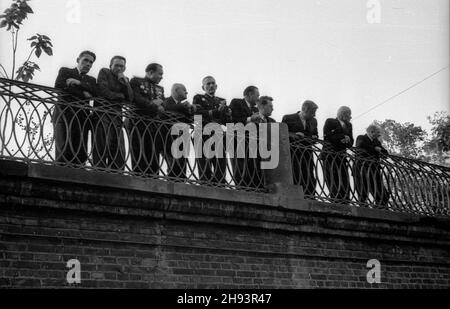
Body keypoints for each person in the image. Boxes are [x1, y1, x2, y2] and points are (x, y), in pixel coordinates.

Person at [54, 50, 98, 165]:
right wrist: (83, 93)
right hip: (64, 115)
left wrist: (78, 83)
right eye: (85, 60)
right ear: (78, 60)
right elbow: (60, 86)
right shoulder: (65, 71)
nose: (88, 64)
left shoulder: (91, 80)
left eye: (91, 62)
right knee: (63, 150)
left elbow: (96, 92)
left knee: (80, 153)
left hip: (82, 118)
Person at [93, 55, 133, 170]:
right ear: (111, 66)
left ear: (125, 68)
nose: (119, 68)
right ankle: (98, 173)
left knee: (118, 148)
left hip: (116, 117)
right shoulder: (104, 72)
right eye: (116, 65)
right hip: (102, 114)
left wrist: (124, 82)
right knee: (101, 146)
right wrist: (120, 96)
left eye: (122, 66)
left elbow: (130, 98)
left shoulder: (125, 79)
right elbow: (103, 90)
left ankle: (117, 174)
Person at [193, 76, 231, 184]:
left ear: (216, 86)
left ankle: (220, 185)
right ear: (203, 87)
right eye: (208, 84)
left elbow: (226, 121)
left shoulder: (221, 101)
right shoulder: (199, 98)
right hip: (203, 133)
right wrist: (216, 111)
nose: (211, 85)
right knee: (204, 162)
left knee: (220, 161)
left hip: (218, 134)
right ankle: (205, 184)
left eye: (213, 83)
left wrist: (228, 114)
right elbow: (198, 113)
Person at [129, 63, 165, 176]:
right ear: (150, 72)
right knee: (139, 153)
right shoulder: (136, 81)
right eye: (160, 74)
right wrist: (153, 104)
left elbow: (162, 105)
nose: (161, 77)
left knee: (154, 155)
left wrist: (154, 105)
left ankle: (154, 180)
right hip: (138, 123)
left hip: (154, 125)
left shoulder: (160, 88)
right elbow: (137, 99)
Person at [282, 100, 319, 196]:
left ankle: (310, 196)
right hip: (294, 153)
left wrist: (313, 138)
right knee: (295, 174)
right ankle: (296, 196)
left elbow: (316, 136)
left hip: (307, 154)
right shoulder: (288, 118)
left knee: (309, 175)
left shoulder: (314, 121)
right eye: (312, 112)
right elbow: (283, 134)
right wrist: (294, 135)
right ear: (304, 110)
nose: (314, 115)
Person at [162, 83, 196, 179]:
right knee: (172, 161)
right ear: (176, 90)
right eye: (184, 90)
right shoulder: (167, 101)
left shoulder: (181, 106)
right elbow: (169, 107)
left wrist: (190, 109)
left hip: (181, 137)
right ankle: (173, 180)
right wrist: (186, 107)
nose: (187, 92)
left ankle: (180, 179)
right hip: (168, 137)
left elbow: (189, 117)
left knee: (181, 162)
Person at [230, 86, 261, 188]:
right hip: (239, 142)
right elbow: (233, 119)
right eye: (257, 95)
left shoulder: (257, 109)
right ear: (250, 94)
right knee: (240, 170)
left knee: (254, 170)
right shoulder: (237, 102)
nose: (258, 98)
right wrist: (250, 118)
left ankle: (255, 189)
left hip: (253, 144)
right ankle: (241, 189)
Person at [322, 106, 354, 201]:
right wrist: (342, 137)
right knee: (332, 179)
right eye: (348, 114)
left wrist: (348, 140)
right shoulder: (330, 121)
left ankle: (345, 200)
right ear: (342, 114)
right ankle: (335, 201)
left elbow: (351, 141)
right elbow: (327, 136)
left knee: (344, 180)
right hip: (329, 155)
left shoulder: (349, 125)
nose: (350, 117)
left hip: (342, 156)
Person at [355, 124, 390, 206]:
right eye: (378, 133)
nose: (379, 135)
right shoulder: (361, 138)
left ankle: (381, 209)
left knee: (383, 194)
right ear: (372, 132)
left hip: (374, 170)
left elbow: (385, 153)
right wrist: (374, 149)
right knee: (363, 192)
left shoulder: (376, 141)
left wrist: (379, 149)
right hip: (361, 169)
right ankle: (363, 210)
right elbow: (360, 146)